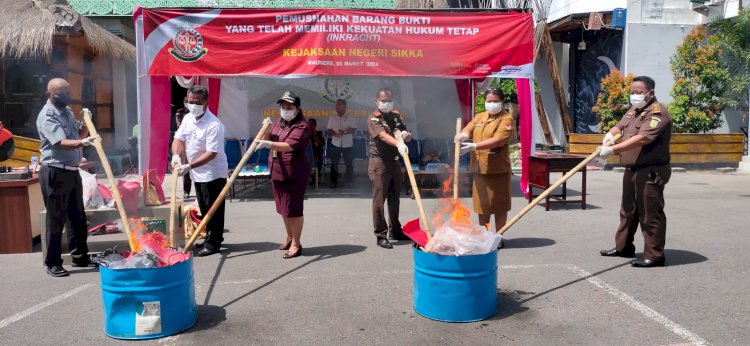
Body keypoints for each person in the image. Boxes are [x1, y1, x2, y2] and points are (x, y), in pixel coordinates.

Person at [598, 76, 672, 268]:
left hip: (650, 170)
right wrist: (609, 136)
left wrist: (613, 150)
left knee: (649, 213)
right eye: (632, 92)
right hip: (632, 169)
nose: (635, 95)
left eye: (639, 92)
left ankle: (654, 255)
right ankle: (623, 247)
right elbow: (620, 127)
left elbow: (642, 139)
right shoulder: (634, 111)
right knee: (628, 211)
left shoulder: (658, 114)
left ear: (651, 93)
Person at [36, 78, 98, 277]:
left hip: (72, 171)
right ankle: (53, 262)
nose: (64, 97)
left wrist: (87, 124)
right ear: (49, 94)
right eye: (59, 94)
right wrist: (85, 142)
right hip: (55, 171)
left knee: (77, 217)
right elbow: (61, 142)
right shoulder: (47, 115)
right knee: (56, 219)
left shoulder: (68, 111)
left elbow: (78, 136)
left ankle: (80, 256)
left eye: (67, 93)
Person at [172, 85, 228, 257]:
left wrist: (188, 166)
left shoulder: (214, 124)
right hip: (197, 173)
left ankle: (214, 244)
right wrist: (176, 156)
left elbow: (211, 153)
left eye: (196, 102)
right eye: (189, 101)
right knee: (204, 208)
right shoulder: (188, 118)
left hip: (213, 173)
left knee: (214, 209)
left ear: (205, 102)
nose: (192, 105)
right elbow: (178, 139)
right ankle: (209, 236)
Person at [455, 87, 514, 248]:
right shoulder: (480, 116)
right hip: (479, 168)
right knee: (482, 205)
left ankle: (498, 237)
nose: (492, 104)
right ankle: (484, 235)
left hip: (497, 169)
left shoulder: (506, 119)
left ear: (502, 102)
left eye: (495, 101)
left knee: (499, 205)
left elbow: (499, 140)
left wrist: (475, 146)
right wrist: (464, 134)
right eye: (489, 101)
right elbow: (470, 127)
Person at [256, 91, 311, 259]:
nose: (285, 110)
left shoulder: (302, 126)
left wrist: (269, 144)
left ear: (297, 109)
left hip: (293, 173)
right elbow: (269, 136)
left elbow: (289, 145)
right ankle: (288, 236)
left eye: (289, 107)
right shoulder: (279, 124)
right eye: (283, 106)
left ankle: (296, 243)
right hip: (278, 171)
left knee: (293, 209)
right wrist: (265, 128)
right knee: (283, 208)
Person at [368, 87, 412, 248]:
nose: (387, 103)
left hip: (394, 162)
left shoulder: (396, 115)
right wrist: (398, 143)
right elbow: (383, 136)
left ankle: (395, 229)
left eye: (389, 100)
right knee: (379, 200)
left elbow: (404, 130)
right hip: (379, 163)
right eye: (383, 100)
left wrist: (406, 135)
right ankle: (380, 234)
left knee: (395, 198)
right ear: (377, 101)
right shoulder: (373, 118)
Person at [326, 98, 357, 188]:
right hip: (335, 144)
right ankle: (333, 182)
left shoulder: (351, 116)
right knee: (334, 164)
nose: (336, 106)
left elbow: (354, 128)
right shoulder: (333, 117)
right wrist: (334, 134)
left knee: (349, 164)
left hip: (348, 145)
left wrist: (344, 132)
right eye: (336, 104)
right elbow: (329, 129)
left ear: (344, 106)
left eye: (338, 105)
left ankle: (350, 182)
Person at [175, 107, 192, 198]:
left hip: (196, 144)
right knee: (186, 169)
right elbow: (179, 128)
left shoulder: (197, 113)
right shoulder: (180, 113)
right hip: (185, 145)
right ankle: (186, 191)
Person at [308, 118, 325, 184]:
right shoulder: (304, 134)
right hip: (306, 154)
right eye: (309, 124)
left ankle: (315, 178)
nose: (310, 126)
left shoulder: (319, 133)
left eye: (312, 124)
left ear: (315, 125)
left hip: (316, 153)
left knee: (319, 158)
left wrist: (315, 136)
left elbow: (322, 144)